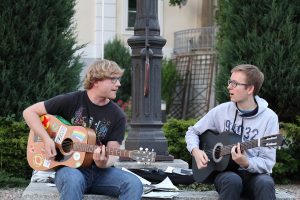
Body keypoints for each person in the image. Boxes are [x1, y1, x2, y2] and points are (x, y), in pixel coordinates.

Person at [23, 59, 143, 200]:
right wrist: (46, 139)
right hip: (69, 170)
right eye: (113, 79)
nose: (118, 84)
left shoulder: (118, 116)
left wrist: (102, 162)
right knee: (73, 180)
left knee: (134, 183)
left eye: (118, 79)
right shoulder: (71, 100)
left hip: (100, 173)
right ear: (96, 80)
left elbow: (112, 153)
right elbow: (29, 112)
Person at [185, 64, 278, 200]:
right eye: (230, 82)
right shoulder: (222, 110)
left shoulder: (269, 118)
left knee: (266, 183)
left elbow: (268, 162)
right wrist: (195, 151)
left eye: (235, 83)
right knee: (232, 181)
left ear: (250, 89)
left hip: (255, 177)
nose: (229, 87)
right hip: (226, 173)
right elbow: (192, 131)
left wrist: (246, 163)